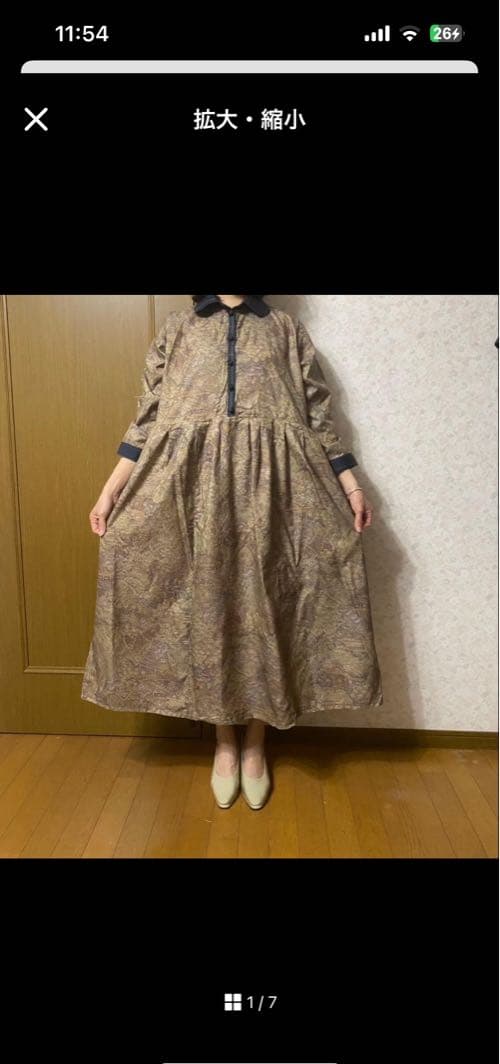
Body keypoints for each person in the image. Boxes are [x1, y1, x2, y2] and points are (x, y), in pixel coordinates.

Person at [81, 295, 383, 811]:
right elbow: (147, 419)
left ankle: (257, 742)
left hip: (277, 491)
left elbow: (318, 416)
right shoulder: (178, 329)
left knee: (268, 608)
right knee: (210, 609)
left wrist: (352, 486)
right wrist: (110, 491)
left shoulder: (285, 330)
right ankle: (224, 741)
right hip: (195, 490)